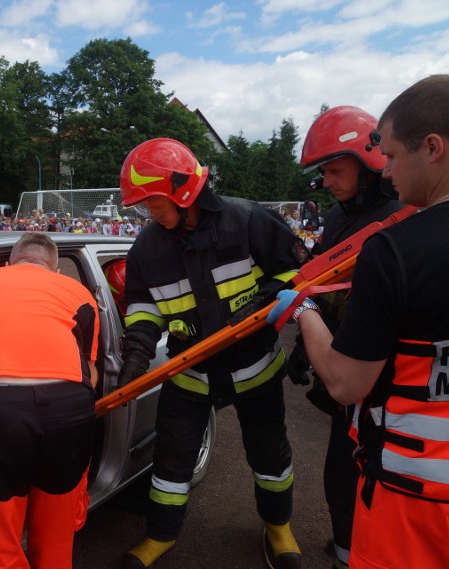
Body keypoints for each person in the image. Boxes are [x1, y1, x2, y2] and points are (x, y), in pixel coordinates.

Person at [268, 74, 449, 569]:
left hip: (408, 484)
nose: (390, 170)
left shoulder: (396, 242)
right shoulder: (341, 222)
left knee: (344, 477)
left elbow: (348, 384)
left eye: (392, 156)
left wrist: (303, 313)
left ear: (432, 148)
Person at [116, 138, 308, 569]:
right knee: (171, 457)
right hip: (189, 373)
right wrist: (136, 355)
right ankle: (161, 535)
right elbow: (144, 308)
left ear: (184, 191)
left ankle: (278, 526)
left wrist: (271, 298)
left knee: (269, 452)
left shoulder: (248, 220)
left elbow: (298, 271)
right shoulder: (147, 247)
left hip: (255, 366)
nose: (149, 212)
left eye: (153, 201)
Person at [290, 105, 404, 569]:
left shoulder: (401, 219)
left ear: (371, 161)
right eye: (324, 173)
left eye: (336, 170)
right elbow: (315, 284)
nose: (328, 182)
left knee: (373, 480)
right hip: (342, 371)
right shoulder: (338, 220)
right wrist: (303, 346)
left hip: (382, 382)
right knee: (339, 472)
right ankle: (344, 549)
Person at [0, 232, 100, 569]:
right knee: (57, 532)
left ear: (8, 263)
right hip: (69, 413)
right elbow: (91, 373)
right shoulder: (81, 294)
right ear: (55, 270)